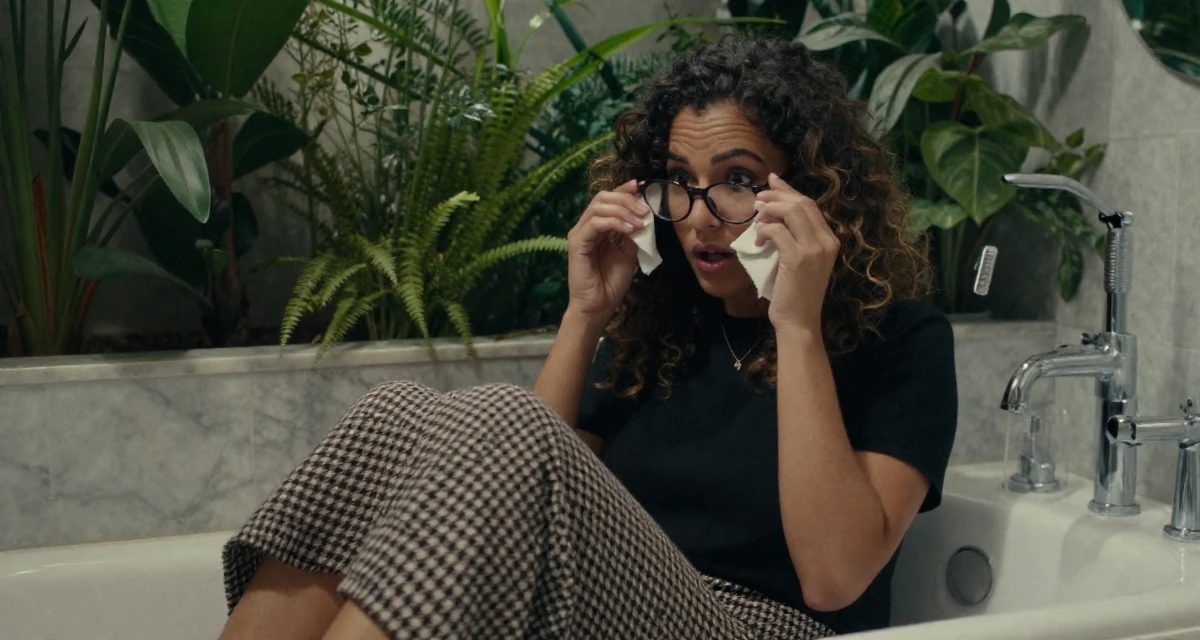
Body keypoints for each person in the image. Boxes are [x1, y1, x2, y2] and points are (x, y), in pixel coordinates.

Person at [218, 35, 957, 640]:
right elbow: (517, 497)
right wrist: (586, 314)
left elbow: (834, 579)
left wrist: (795, 325)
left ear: (814, 191)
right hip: (608, 612)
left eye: (737, 179)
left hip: (764, 629)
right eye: (679, 180)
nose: (699, 216)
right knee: (396, 412)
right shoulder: (663, 331)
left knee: (504, 418)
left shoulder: (902, 340)